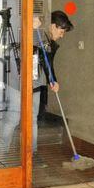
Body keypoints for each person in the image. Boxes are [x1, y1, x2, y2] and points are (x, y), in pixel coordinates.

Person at [32, 10, 74, 156]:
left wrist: (53, 80)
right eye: (61, 31)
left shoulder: (50, 43)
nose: (62, 36)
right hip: (20, 82)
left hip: (36, 85)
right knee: (12, 117)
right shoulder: (36, 34)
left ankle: (32, 155)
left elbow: (48, 63)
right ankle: (3, 150)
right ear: (53, 26)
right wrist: (33, 28)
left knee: (32, 119)